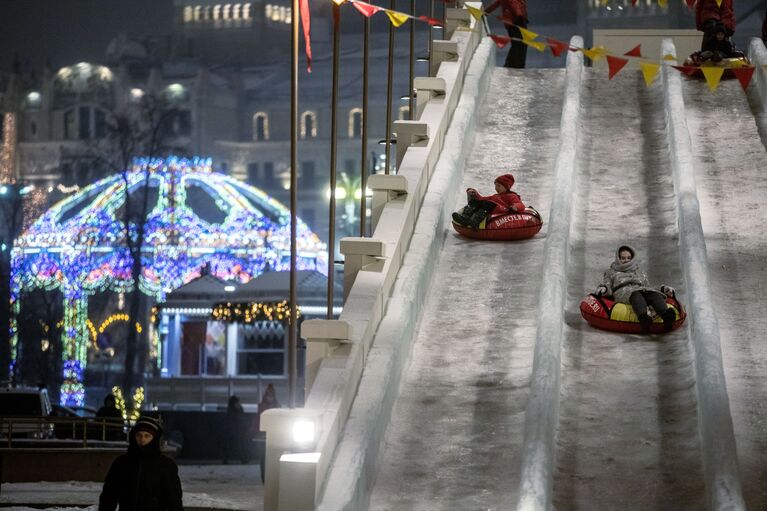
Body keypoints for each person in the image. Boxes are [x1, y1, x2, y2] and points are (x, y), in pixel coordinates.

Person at [99, 415, 183, 511]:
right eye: (139, 435)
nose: (142, 440)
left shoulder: (166, 466)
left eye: (147, 436)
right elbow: (108, 497)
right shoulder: (121, 463)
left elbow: (174, 501)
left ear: (154, 438)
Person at [595, 245, 677, 334]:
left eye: (629, 258)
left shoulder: (639, 271)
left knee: (653, 294)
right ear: (618, 258)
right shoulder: (611, 272)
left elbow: (647, 287)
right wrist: (604, 289)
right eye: (623, 258)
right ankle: (644, 319)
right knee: (636, 294)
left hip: (640, 289)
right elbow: (608, 286)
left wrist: (662, 289)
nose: (626, 260)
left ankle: (666, 316)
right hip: (623, 291)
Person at [452, 173, 525, 229]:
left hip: (503, 210)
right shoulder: (495, 196)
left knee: (488, 203)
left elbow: (520, 205)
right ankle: (465, 217)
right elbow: (482, 199)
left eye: (499, 186)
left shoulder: (512, 195)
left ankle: (475, 221)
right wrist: (474, 193)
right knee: (477, 202)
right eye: (495, 185)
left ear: (506, 187)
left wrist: (515, 207)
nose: (496, 188)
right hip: (492, 207)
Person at [484, 0, 528, 68]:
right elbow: (514, 4)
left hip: (511, 21)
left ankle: (512, 63)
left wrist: (486, 12)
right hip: (516, 21)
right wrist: (519, 16)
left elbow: (496, 4)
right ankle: (517, 64)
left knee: (516, 43)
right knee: (520, 44)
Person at [254, 384, 281, 483]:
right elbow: (257, 420)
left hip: (270, 436)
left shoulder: (274, 407)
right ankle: (266, 479)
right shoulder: (270, 407)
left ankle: (269, 479)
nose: (269, 397)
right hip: (263, 436)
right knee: (264, 459)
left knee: (269, 459)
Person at [223, 395, 249, 464]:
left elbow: (242, 419)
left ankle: (244, 459)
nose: (238, 403)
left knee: (240, 446)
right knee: (232, 446)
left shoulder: (239, 409)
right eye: (237, 402)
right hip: (232, 431)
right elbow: (231, 421)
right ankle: (226, 460)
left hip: (238, 431)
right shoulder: (232, 410)